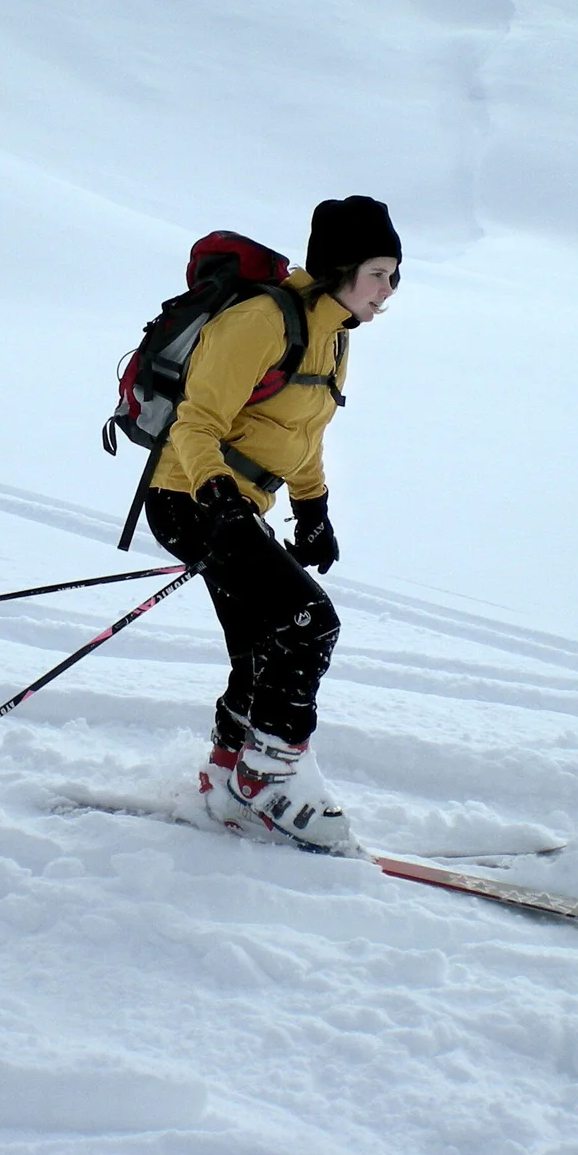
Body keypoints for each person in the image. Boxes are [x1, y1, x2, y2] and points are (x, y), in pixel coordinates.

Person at [144, 196, 401, 852]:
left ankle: (227, 780)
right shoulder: (262, 321)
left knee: (262, 644)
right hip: (189, 496)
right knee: (310, 622)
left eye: (395, 275)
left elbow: (302, 435)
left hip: (233, 505)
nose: (390, 289)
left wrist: (312, 511)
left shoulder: (333, 336)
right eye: (380, 272)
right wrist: (220, 498)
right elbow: (196, 422)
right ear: (342, 268)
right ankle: (271, 780)